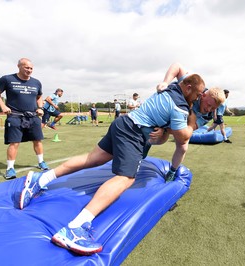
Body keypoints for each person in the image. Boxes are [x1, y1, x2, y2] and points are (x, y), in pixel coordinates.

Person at [17, 67, 205, 256]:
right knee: (126, 178)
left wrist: (165, 82)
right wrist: (191, 123)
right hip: (133, 132)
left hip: (123, 123)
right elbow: (183, 138)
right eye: (197, 94)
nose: (197, 98)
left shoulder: (171, 88)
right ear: (187, 87)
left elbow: (177, 67)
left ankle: (40, 180)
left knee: (93, 159)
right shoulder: (180, 106)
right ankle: (75, 228)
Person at [154, 62, 225, 180]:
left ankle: (172, 171)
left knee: (182, 146)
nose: (208, 109)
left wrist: (165, 130)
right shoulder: (197, 87)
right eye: (208, 105)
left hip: (178, 121)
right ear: (202, 95)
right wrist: (165, 82)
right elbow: (177, 66)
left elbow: (187, 131)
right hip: (167, 107)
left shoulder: (207, 115)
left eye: (213, 108)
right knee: (151, 136)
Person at [0, 58, 48, 180]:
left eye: (31, 68)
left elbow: (39, 97)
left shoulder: (36, 82)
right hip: (15, 116)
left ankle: (41, 162)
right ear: (19, 66)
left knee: (38, 140)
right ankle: (10, 169)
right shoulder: (7, 79)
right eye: (26, 67)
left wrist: (40, 107)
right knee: (14, 142)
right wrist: (3, 105)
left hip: (33, 116)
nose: (29, 70)